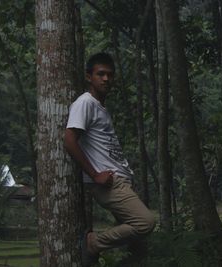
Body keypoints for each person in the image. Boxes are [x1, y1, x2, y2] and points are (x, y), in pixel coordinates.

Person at [64, 52, 155, 266]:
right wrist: (95, 174)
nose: (106, 79)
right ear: (89, 77)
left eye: (110, 75)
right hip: (109, 184)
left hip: (121, 181)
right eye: (100, 74)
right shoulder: (85, 102)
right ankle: (93, 243)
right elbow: (69, 140)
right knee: (145, 223)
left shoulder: (100, 108)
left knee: (139, 251)